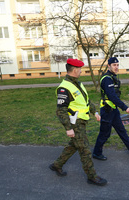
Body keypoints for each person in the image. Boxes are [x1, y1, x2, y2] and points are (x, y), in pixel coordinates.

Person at [49, 58, 107, 186]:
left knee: (74, 145)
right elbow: (61, 110)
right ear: (75, 70)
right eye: (80, 69)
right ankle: (92, 176)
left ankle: (56, 165)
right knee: (84, 149)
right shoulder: (64, 88)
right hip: (74, 123)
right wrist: (68, 128)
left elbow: (86, 101)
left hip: (81, 121)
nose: (81, 71)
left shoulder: (78, 84)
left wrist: (95, 112)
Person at [92, 57, 129, 161]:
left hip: (113, 109)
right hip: (107, 110)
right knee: (105, 133)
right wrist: (125, 107)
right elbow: (112, 96)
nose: (116, 67)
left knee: (121, 129)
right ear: (109, 66)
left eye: (117, 65)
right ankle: (97, 153)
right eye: (114, 65)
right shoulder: (107, 79)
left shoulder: (111, 77)